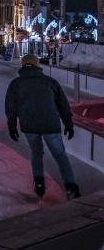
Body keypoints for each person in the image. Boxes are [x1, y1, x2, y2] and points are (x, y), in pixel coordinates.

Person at [6, 53, 80, 199]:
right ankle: (71, 186)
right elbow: (63, 106)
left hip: (29, 126)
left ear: (22, 65)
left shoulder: (16, 84)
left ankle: (39, 183)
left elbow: (11, 107)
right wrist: (68, 124)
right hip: (50, 125)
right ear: (37, 65)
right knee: (60, 156)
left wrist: (12, 125)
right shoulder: (50, 82)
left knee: (36, 153)